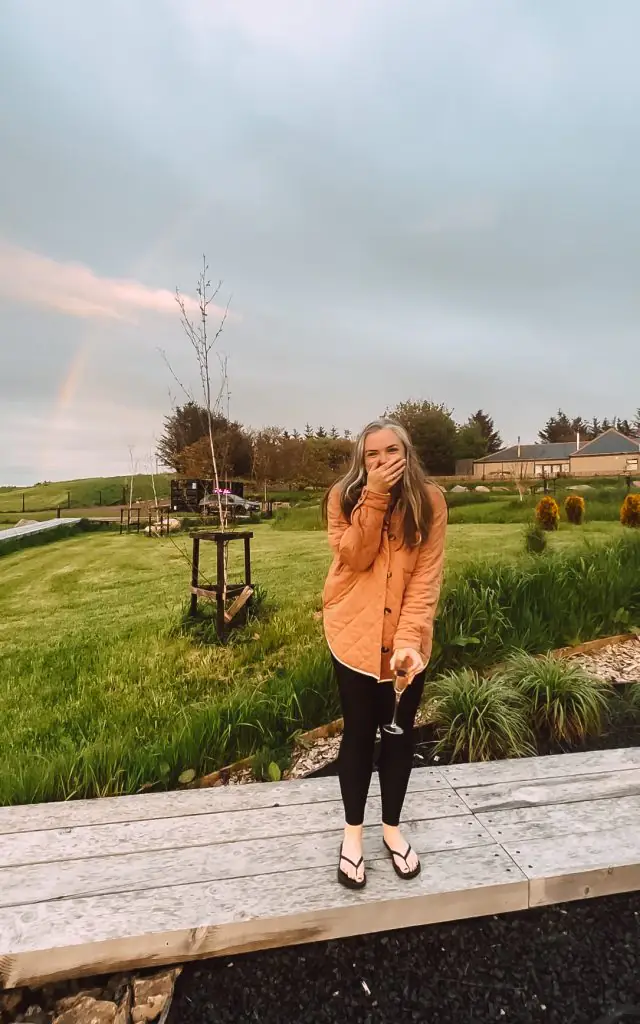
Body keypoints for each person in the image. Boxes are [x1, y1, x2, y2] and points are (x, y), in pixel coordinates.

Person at [322, 418, 448, 889]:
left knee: (398, 735)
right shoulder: (344, 496)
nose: (382, 461)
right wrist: (373, 496)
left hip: (405, 641)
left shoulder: (430, 501)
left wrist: (410, 641)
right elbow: (354, 557)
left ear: (407, 453)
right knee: (358, 733)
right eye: (371, 455)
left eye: (391, 452)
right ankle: (352, 835)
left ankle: (391, 830)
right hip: (352, 637)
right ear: (362, 460)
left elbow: (426, 578)